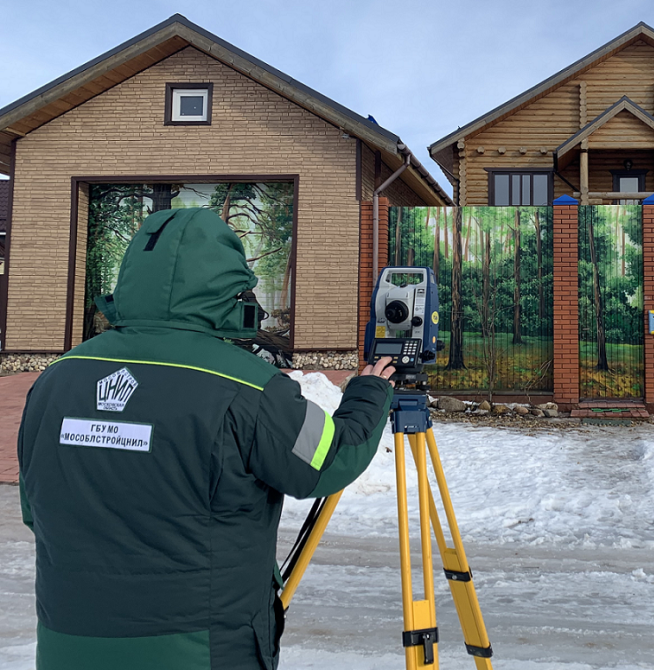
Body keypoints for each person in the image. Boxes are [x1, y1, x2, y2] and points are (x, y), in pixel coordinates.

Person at [17, 207, 395, 670]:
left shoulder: (56, 379)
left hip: (67, 642)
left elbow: (37, 508)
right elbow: (330, 460)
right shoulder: (250, 386)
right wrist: (371, 391)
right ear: (226, 289)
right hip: (202, 647)